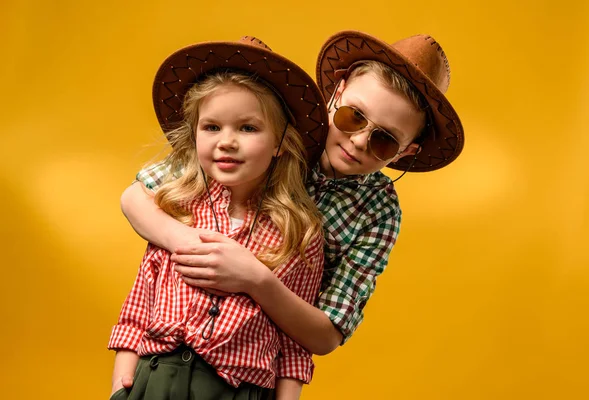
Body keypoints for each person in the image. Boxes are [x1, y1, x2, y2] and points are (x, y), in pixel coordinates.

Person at [120, 30, 465, 358]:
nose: (359, 142)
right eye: (353, 116)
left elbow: (327, 333)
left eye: (384, 140)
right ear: (337, 91)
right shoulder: (273, 132)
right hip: (173, 332)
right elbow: (136, 197)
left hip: (258, 364)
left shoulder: (378, 210)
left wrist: (255, 279)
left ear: (405, 152)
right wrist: (193, 245)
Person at [108, 36, 330, 400]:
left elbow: (294, 344)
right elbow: (138, 306)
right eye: (212, 127)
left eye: (247, 128)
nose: (226, 141)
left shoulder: (299, 232)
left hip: (238, 389)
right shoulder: (175, 209)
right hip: (155, 379)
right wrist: (121, 388)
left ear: (278, 143)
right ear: (194, 135)